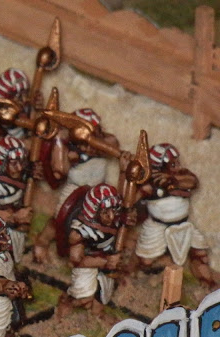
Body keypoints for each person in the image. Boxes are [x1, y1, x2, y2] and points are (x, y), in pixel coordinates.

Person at [33, 108, 123, 263]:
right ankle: (42, 243)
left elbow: (113, 144)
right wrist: (61, 142)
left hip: (98, 192)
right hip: (75, 190)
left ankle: (89, 251)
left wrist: (94, 143)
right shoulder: (70, 151)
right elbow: (59, 171)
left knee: (97, 223)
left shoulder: (103, 142)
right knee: (60, 220)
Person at [134, 143, 216, 287]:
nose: (178, 166)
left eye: (177, 162)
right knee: (146, 261)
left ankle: (208, 283)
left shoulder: (182, 175)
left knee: (200, 254)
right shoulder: (149, 184)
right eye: (173, 164)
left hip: (184, 224)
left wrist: (172, 180)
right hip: (157, 226)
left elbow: (193, 182)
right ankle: (165, 266)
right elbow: (132, 200)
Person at [56, 183, 133, 321]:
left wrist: (128, 217)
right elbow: (76, 260)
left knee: (103, 294)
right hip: (89, 265)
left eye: (113, 211)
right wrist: (105, 262)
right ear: (94, 210)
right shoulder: (79, 233)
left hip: (108, 262)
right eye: (105, 212)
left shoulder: (116, 220)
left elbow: (124, 216)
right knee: (84, 298)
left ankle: (97, 314)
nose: (111, 216)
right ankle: (67, 302)